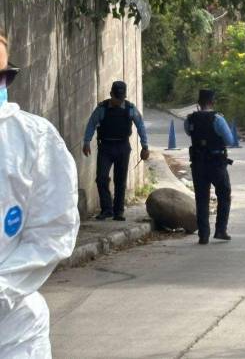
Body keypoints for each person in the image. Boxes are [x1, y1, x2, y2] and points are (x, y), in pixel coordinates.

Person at [0, 33, 80, 358]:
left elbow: (52, 231)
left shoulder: (33, 139)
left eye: (4, 75)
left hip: (13, 332)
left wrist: (3, 290)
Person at [83, 81, 150, 221]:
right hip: (105, 147)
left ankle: (118, 211)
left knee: (120, 180)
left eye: (121, 98)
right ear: (111, 94)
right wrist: (86, 142)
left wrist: (145, 146)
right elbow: (91, 123)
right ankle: (107, 209)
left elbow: (140, 126)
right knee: (101, 178)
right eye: (116, 98)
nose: (119, 101)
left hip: (122, 147)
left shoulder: (130, 109)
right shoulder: (102, 108)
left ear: (124, 96)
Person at [185, 90, 234, 244]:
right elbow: (230, 140)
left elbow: (189, 132)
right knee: (224, 194)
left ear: (198, 103)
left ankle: (203, 235)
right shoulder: (218, 119)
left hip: (198, 164)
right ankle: (220, 230)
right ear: (213, 102)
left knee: (201, 198)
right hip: (216, 163)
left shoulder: (190, 119)